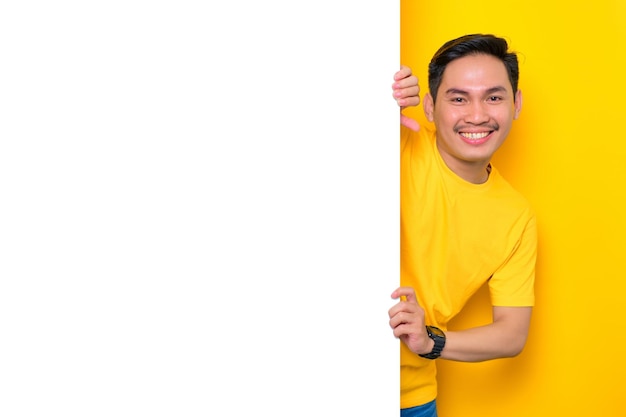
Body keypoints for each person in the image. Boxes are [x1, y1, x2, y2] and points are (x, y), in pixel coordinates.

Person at [388, 34, 537, 417]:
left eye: (493, 97)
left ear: (516, 104)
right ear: (430, 106)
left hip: (411, 398)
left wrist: (431, 343)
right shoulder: (397, 144)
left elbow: (511, 333)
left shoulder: (517, 218)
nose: (477, 115)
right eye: (458, 98)